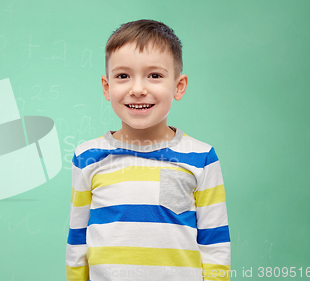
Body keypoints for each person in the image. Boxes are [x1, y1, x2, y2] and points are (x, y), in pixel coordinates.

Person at [65, 19, 231, 281]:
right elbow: (77, 240)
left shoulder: (201, 157)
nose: (138, 89)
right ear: (107, 87)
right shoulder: (87, 157)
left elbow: (215, 244)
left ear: (179, 86)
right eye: (123, 76)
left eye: (154, 75)